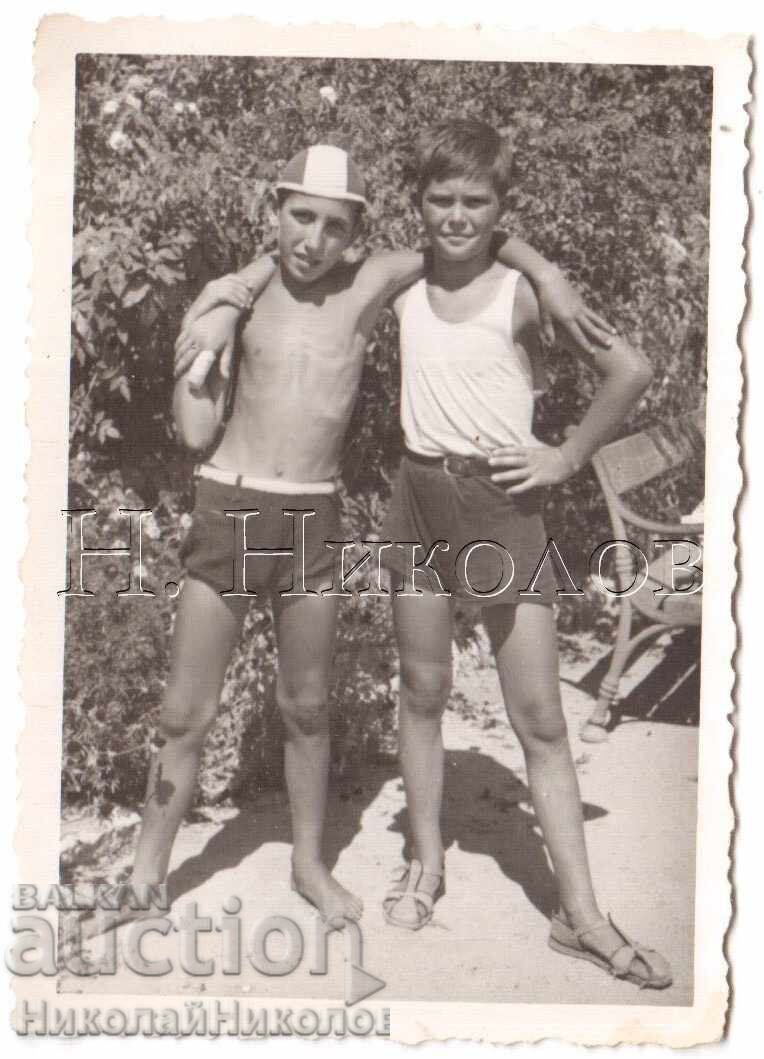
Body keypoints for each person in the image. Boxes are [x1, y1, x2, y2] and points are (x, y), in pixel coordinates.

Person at [134, 143, 613, 930]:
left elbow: (469, 230)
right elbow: (192, 432)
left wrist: (548, 271)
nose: (313, 240)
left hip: (314, 516)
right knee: (187, 711)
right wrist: (222, 302)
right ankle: (145, 878)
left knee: (310, 706)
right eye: (300, 218)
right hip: (233, 506)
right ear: (275, 211)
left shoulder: (369, 284)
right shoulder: (237, 300)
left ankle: (309, 864)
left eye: (334, 225)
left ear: (357, 232)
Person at [376, 119, 672, 989]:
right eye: (440, 199)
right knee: (422, 689)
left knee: (538, 715)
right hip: (418, 496)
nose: (456, 216)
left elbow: (634, 369)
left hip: (503, 503)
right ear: (419, 204)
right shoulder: (402, 280)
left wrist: (566, 456)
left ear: (503, 209)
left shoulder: (525, 292)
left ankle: (580, 914)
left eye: (476, 202)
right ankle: (425, 864)